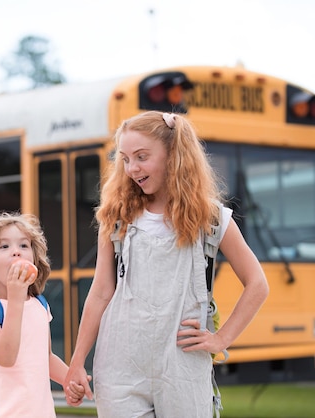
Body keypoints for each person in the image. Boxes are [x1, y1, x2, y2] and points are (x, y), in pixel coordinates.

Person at [63, 111, 270, 417]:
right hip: (120, 367)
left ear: (173, 155)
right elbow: (101, 292)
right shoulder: (116, 216)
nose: (132, 168)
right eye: (125, 159)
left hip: (183, 367)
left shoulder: (211, 219)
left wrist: (221, 339)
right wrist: (77, 360)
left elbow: (257, 284)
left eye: (142, 157)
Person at [0, 212, 85, 418]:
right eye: (4, 246)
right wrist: (16, 299)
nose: (16, 252)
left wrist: (69, 380)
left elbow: (45, 357)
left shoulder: (39, 305)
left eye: (23, 246)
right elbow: (6, 356)